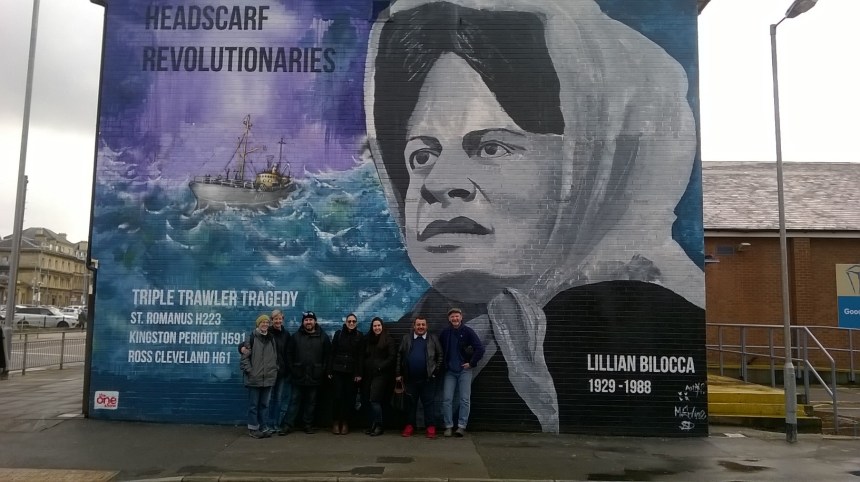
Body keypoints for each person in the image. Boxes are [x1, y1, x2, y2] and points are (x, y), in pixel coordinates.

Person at [365, 0, 707, 435]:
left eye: (491, 148)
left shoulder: (657, 323)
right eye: (422, 154)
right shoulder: (421, 326)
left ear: (593, 166)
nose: (437, 182)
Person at [439, 307, 484, 437]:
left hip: (464, 371)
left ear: (461, 317)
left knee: (464, 399)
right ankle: (448, 426)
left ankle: (461, 426)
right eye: (452, 316)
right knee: (447, 399)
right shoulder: (445, 333)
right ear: (449, 319)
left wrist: (471, 363)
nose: (455, 318)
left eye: (457, 316)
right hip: (450, 372)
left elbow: (479, 349)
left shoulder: (468, 331)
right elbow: (440, 350)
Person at [396, 315, 443, 439]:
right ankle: (410, 426)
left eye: (423, 324)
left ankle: (430, 427)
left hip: (428, 379)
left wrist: (435, 372)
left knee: (429, 404)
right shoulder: (406, 338)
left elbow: (440, 355)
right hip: (410, 379)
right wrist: (398, 374)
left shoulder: (433, 338)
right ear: (414, 326)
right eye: (418, 324)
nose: (421, 327)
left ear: (426, 326)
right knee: (411, 404)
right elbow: (399, 355)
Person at [284, 311, 331, 434]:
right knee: (294, 401)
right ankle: (288, 425)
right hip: (298, 376)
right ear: (303, 322)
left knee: (311, 403)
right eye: (306, 320)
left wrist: (322, 370)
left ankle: (308, 425)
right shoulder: (295, 337)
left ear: (315, 321)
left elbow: (328, 356)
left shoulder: (323, 337)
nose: (308, 322)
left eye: (311, 319)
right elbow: (289, 354)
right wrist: (293, 369)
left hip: (315, 376)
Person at [240, 314, 279, 439]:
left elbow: (274, 356)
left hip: (268, 378)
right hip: (254, 378)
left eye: (267, 323)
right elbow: (244, 358)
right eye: (263, 322)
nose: (265, 325)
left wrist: (274, 370)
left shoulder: (271, 338)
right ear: (258, 324)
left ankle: (263, 426)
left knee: (264, 405)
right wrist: (250, 371)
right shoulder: (251, 337)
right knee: (253, 405)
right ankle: (253, 428)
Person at [328, 313, 364, 435]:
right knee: (337, 398)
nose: (351, 323)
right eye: (349, 321)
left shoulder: (359, 336)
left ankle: (345, 422)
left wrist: (359, 373)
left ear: (356, 323)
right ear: (346, 322)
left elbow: (360, 356)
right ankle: (336, 422)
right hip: (338, 371)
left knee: (349, 399)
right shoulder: (339, 334)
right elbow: (332, 353)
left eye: (354, 321)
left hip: (351, 372)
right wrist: (329, 370)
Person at [362, 316, 396, 436]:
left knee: (375, 400)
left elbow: (392, 357)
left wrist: (380, 366)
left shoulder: (388, 339)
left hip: (381, 375)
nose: (377, 328)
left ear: (382, 326)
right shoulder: (368, 339)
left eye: (379, 325)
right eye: (375, 326)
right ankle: (373, 425)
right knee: (369, 400)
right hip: (368, 375)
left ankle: (379, 426)